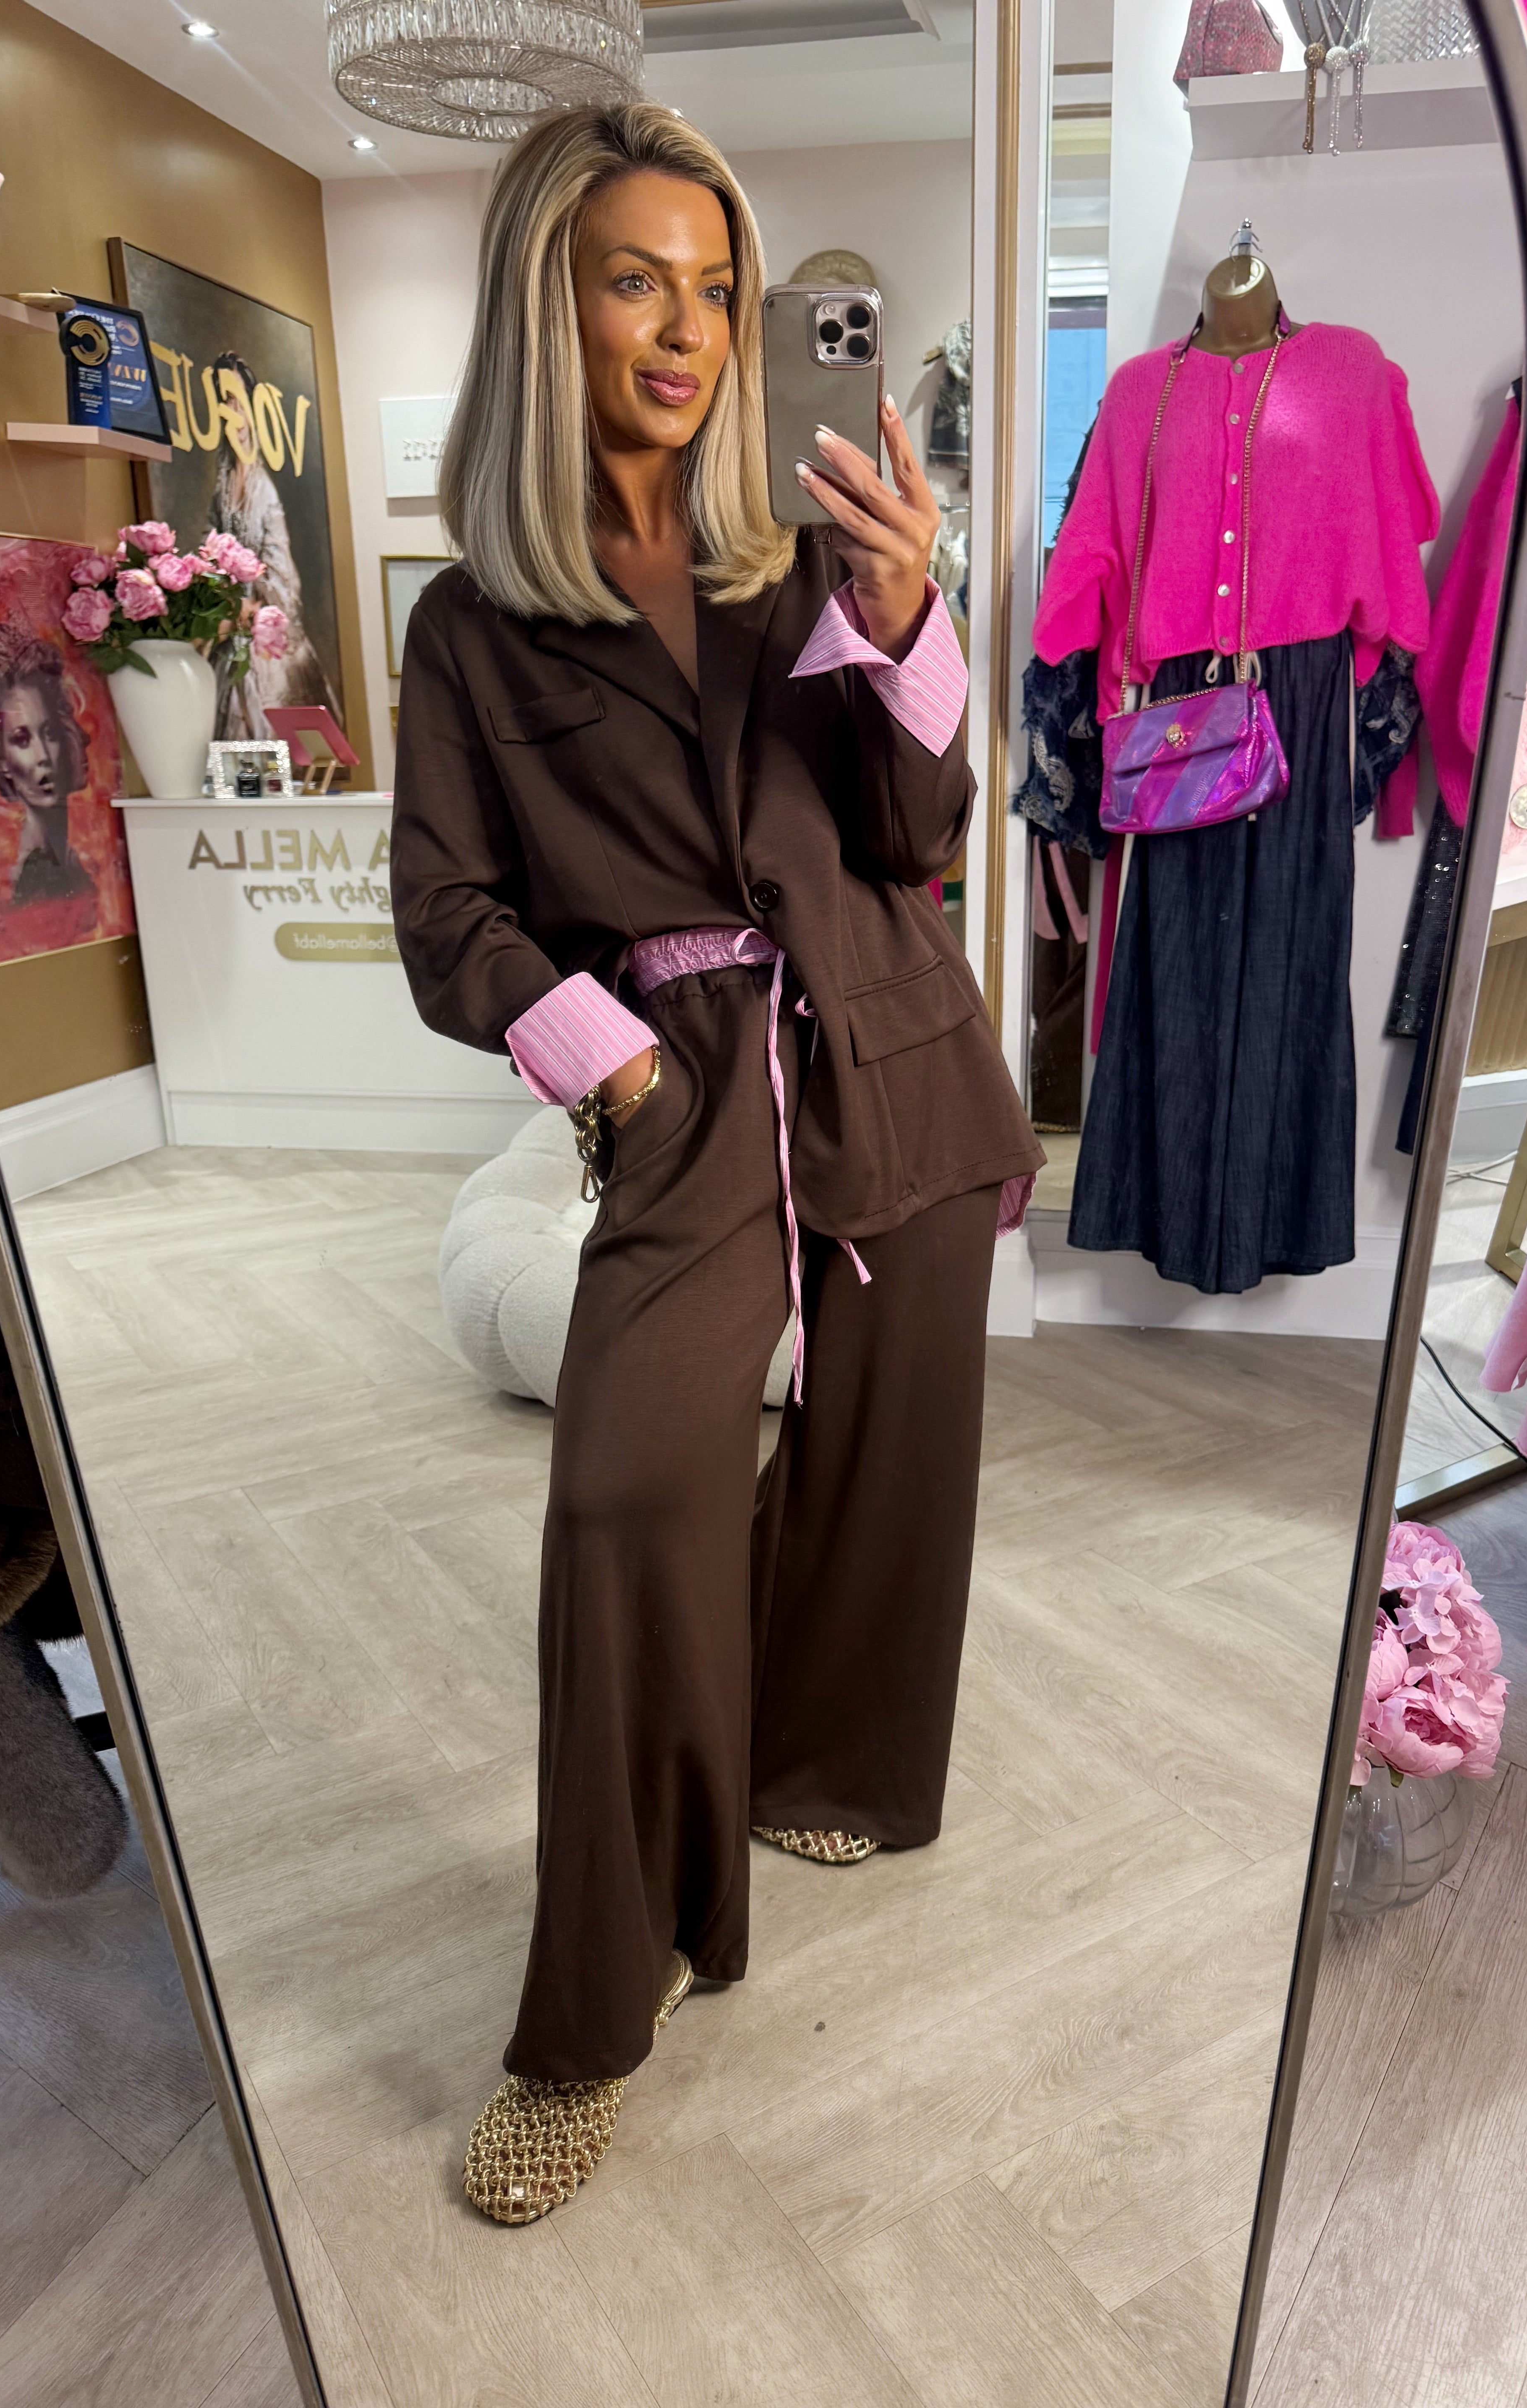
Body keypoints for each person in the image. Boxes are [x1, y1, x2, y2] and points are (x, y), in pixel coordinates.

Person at [390, 100, 1041, 2226]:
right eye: (630, 280)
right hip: (675, 1079)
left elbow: (913, 838)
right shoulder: (471, 627)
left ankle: (825, 1757)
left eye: (713, 284)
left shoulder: (796, 563)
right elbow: (448, 914)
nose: (683, 327)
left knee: (887, 1448)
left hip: (893, 1042)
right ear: (545, 305)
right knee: (620, 1488)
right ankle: (598, 2001)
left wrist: (912, 611)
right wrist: (610, 1077)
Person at [0, 628, 97, 909]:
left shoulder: (79, 865)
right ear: (3, 760)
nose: (43, 756)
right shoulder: (19, 882)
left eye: (51, 734)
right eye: (22, 740)